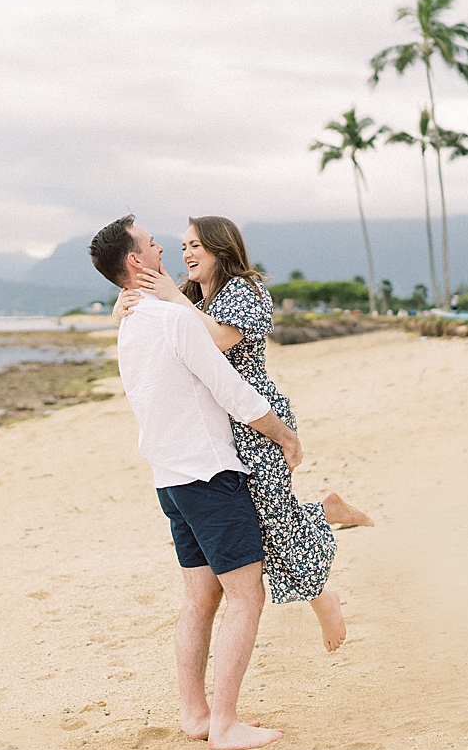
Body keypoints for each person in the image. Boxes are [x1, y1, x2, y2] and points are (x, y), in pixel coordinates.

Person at [113, 216, 373, 655]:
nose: (187, 254)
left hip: (257, 419)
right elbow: (147, 317)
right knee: (254, 531)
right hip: (219, 428)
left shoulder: (246, 293)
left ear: (221, 249)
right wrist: (123, 305)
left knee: (272, 526)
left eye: (197, 245)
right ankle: (325, 512)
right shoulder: (195, 294)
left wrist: (174, 297)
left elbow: (215, 341)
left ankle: (323, 598)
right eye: (183, 247)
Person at [89, 215, 292, 750]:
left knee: (200, 597)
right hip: (209, 473)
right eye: (155, 244)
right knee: (247, 596)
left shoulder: (133, 321)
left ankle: (196, 714)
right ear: (136, 262)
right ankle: (224, 723)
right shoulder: (174, 319)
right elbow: (231, 389)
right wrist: (283, 436)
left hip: (170, 479)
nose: (166, 250)